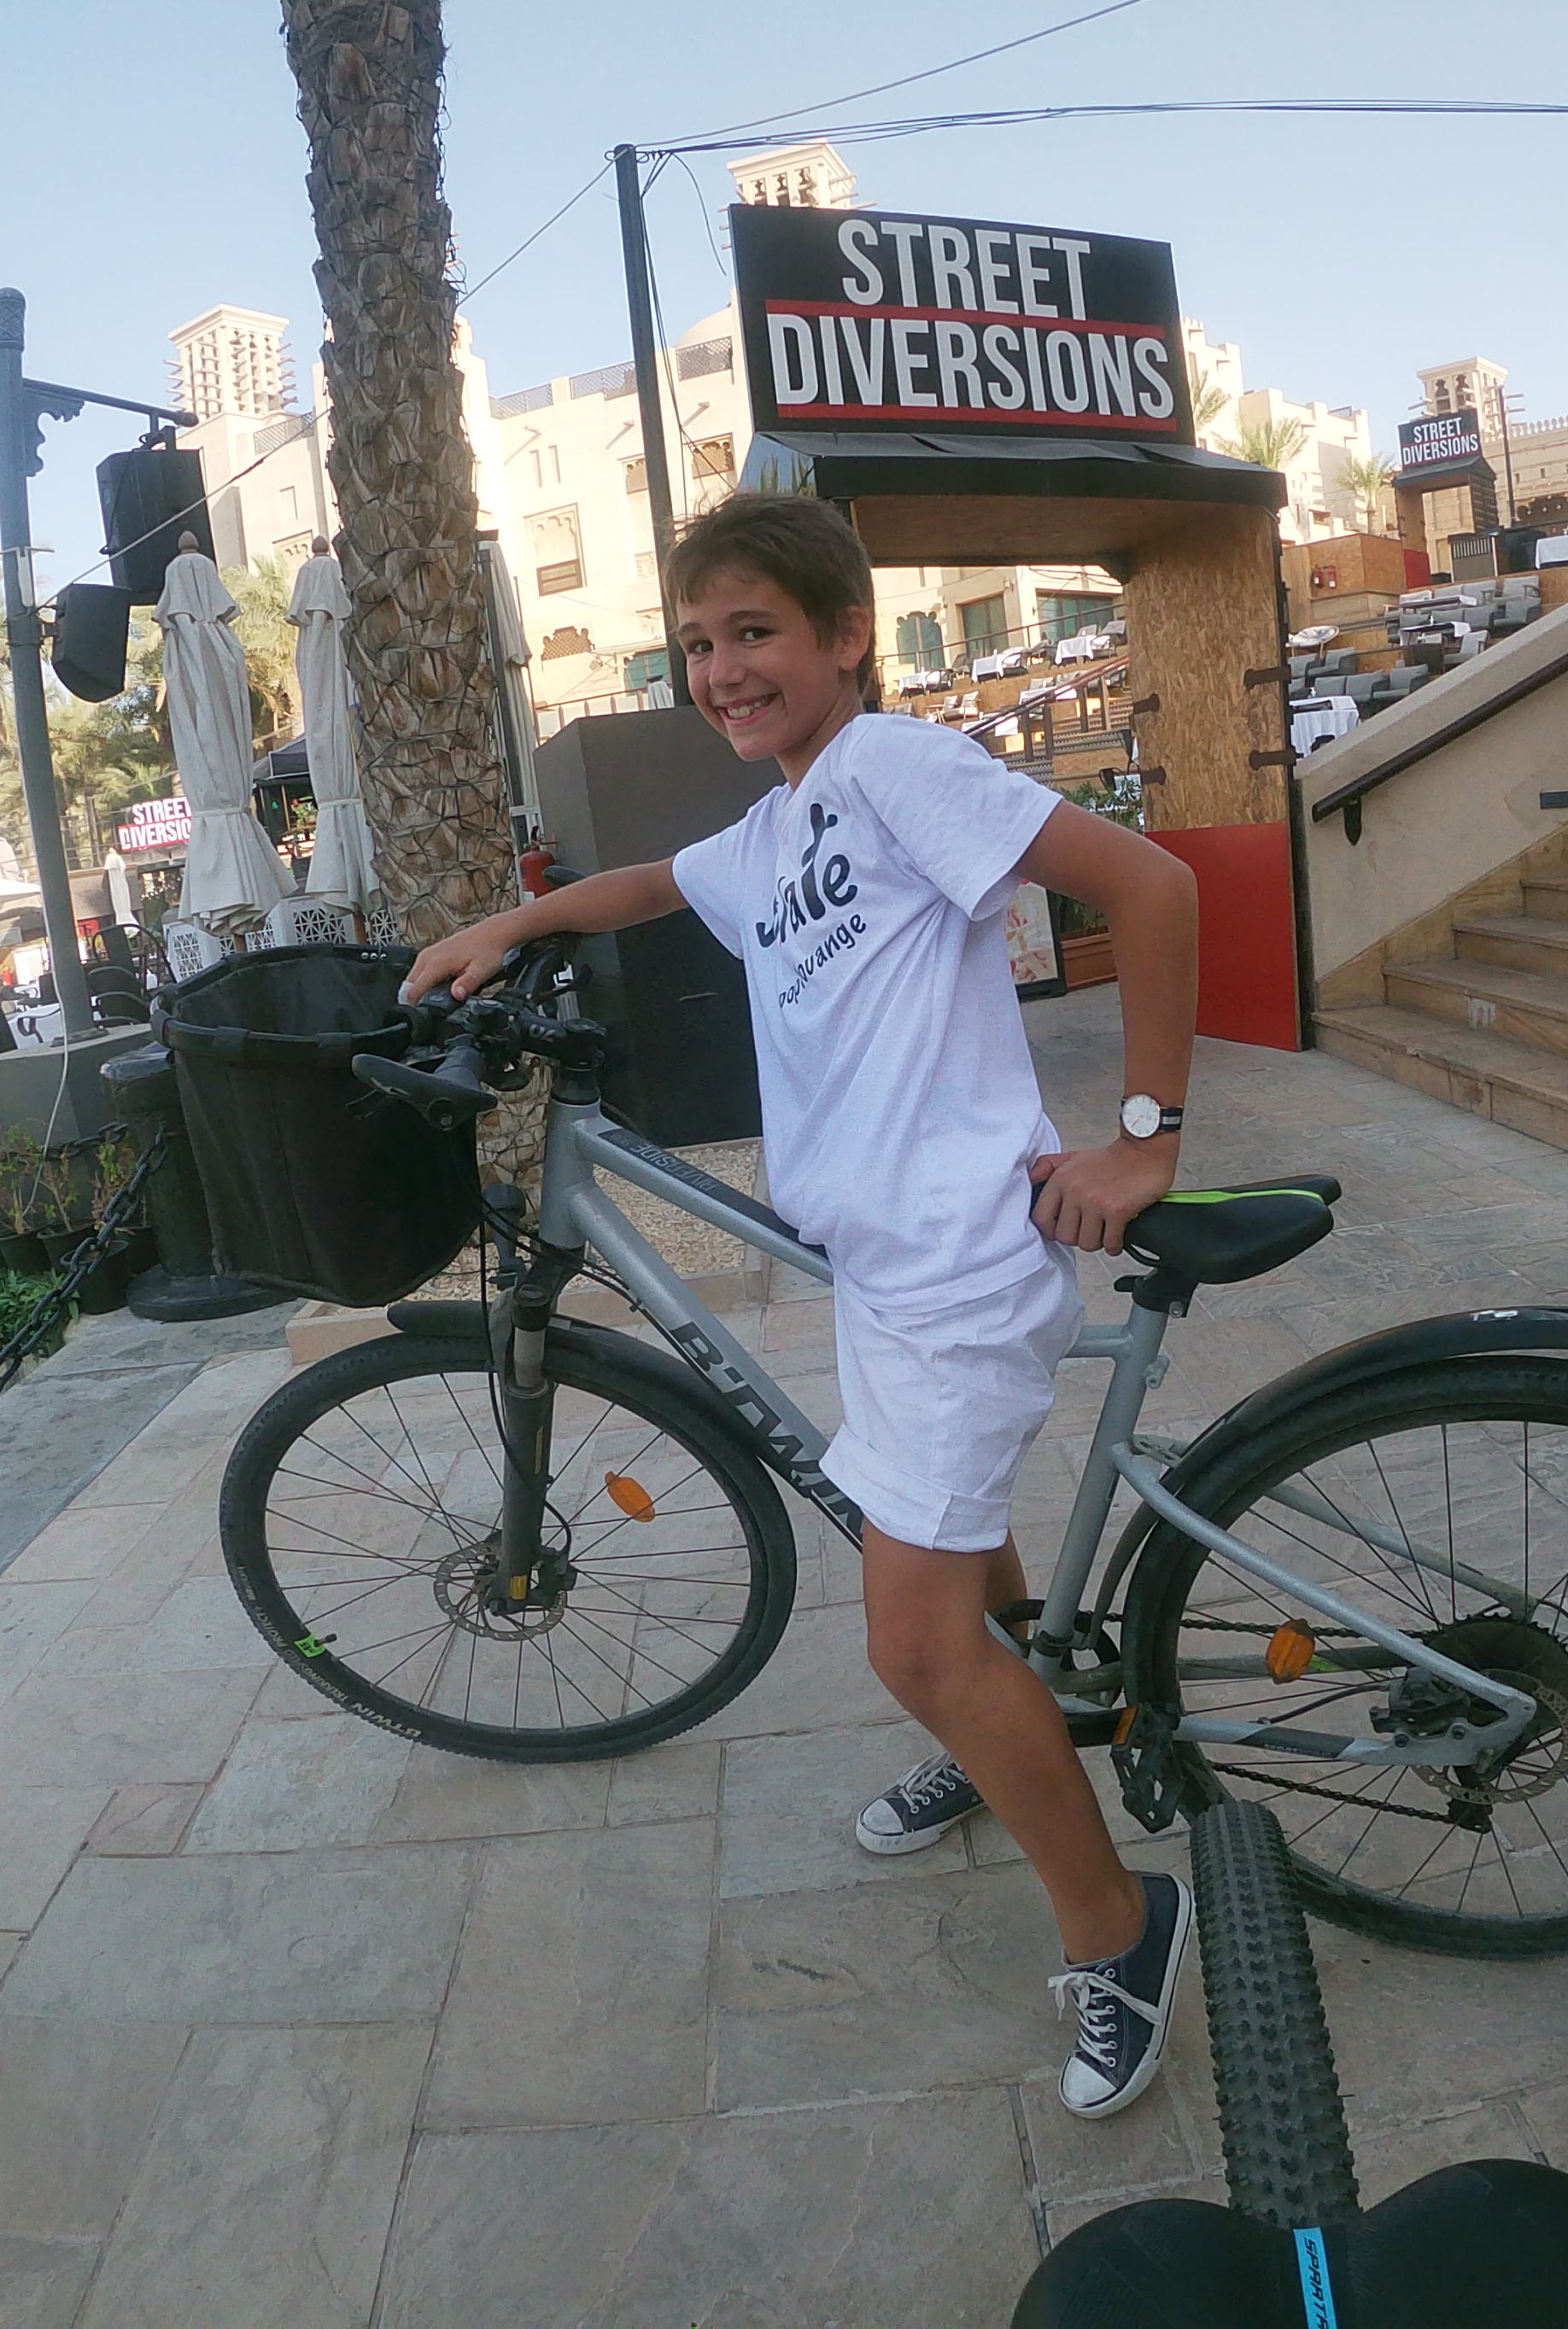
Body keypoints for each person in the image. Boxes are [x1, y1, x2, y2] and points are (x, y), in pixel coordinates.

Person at [404, 491, 1203, 2119]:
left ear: (848, 638)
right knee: (955, 1557)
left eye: (755, 631)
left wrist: (1143, 1140)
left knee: (913, 1644)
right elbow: (651, 884)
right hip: (884, 1266)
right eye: (698, 642)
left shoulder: (898, 767)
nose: (722, 668)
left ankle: (1119, 1929)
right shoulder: (779, 828)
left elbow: (1153, 887)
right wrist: (514, 920)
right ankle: (1011, 1732)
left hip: (960, 1267)